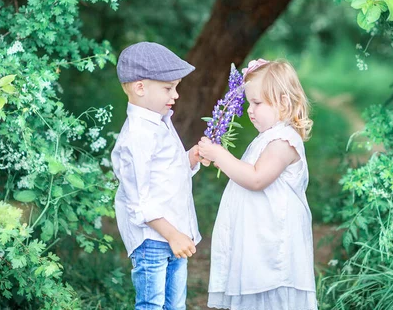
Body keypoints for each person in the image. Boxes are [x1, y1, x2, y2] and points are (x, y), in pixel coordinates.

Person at [198, 59, 317, 310]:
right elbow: (245, 173)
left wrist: (220, 155)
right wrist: (221, 162)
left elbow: (256, 178)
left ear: (283, 103)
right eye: (249, 102)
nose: (250, 110)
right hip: (258, 242)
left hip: (274, 248)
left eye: (257, 103)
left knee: (271, 297)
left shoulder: (283, 140)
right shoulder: (267, 138)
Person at [111, 41, 207, 310]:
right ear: (141, 87)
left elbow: (167, 172)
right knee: (151, 304)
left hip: (176, 231)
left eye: (175, 87)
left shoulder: (160, 121)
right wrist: (173, 235)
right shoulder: (138, 136)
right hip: (154, 238)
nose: (175, 95)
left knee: (175, 304)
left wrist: (192, 157)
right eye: (168, 88)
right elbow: (140, 201)